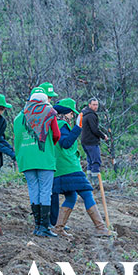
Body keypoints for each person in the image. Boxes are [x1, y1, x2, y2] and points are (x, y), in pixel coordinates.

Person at [50, 98, 109, 236]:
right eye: (71, 114)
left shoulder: (53, 124)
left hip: (59, 168)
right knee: (87, 193)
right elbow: (65, 143)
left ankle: (58, 228)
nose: (72, 116)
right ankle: (101, 228)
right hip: (70, 167)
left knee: (71, 197)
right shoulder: (62, 125)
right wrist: (77, 128)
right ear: (66, 113)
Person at [14, 87, 60, 237]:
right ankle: (44, 227)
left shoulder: (18, 117)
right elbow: (56, 135)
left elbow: (17, 138)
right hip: (44, 157)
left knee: (33, 189)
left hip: (25, 159)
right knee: (45, 191)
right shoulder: (48, 113)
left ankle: (37, 226)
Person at [80, 97, 108, 187]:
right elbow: (94, 130)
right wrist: (103, 136)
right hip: (91, 142)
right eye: (94, 105)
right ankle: (96, 183)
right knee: (96, 161)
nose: (96, 107)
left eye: (97, 105)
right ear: (89, 105)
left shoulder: (84, 113)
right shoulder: (91, 115)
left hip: (85, 141)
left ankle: (89, 182)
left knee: (90, 161)